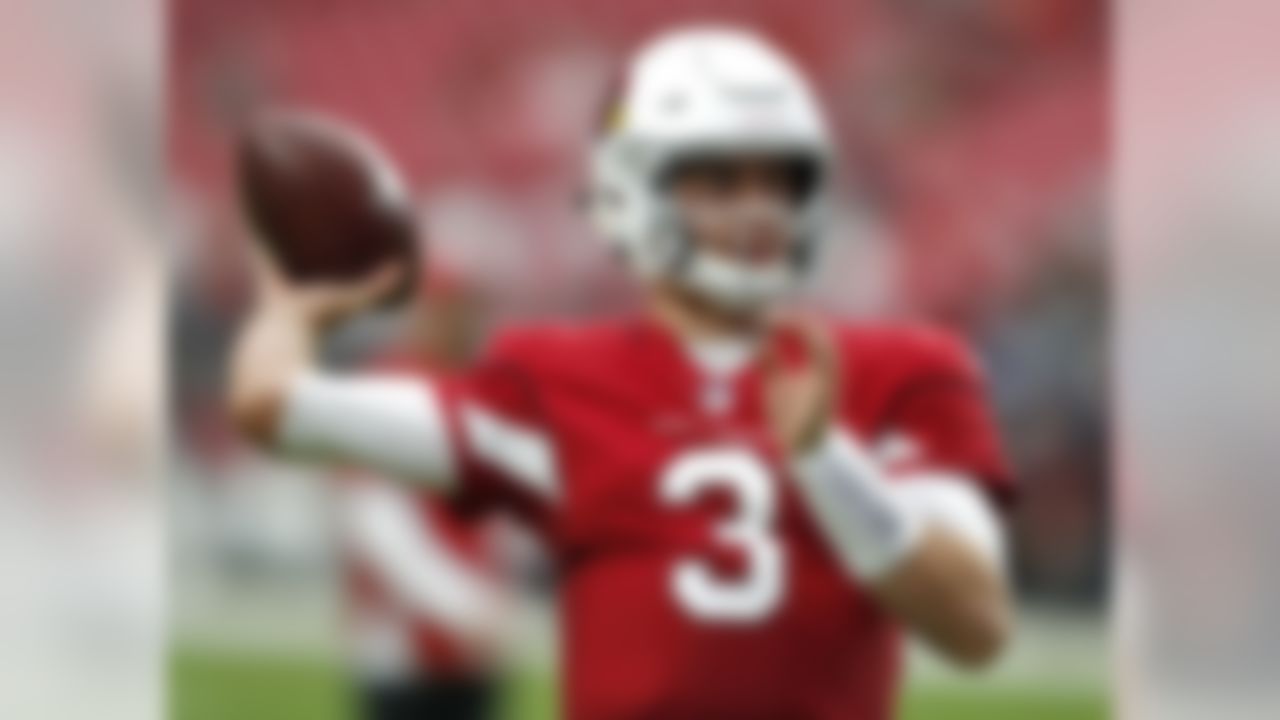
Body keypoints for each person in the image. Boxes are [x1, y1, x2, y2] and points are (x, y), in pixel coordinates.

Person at [229, 26, 1013, 720]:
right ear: (633, 187)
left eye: (781, 179)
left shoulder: (903, 369)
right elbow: (275, 406)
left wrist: (825, 463)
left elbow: (976, 628)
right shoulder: (553, 379)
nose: (758, 209)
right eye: (718, 181)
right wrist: (291, 310)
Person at [339, 271, 508, 720]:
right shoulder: (390, 390)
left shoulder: (474, 387)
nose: (469, 323)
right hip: (407, 651)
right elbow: (376, 522)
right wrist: (462, 608)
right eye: (455, 310)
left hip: (467, 649)